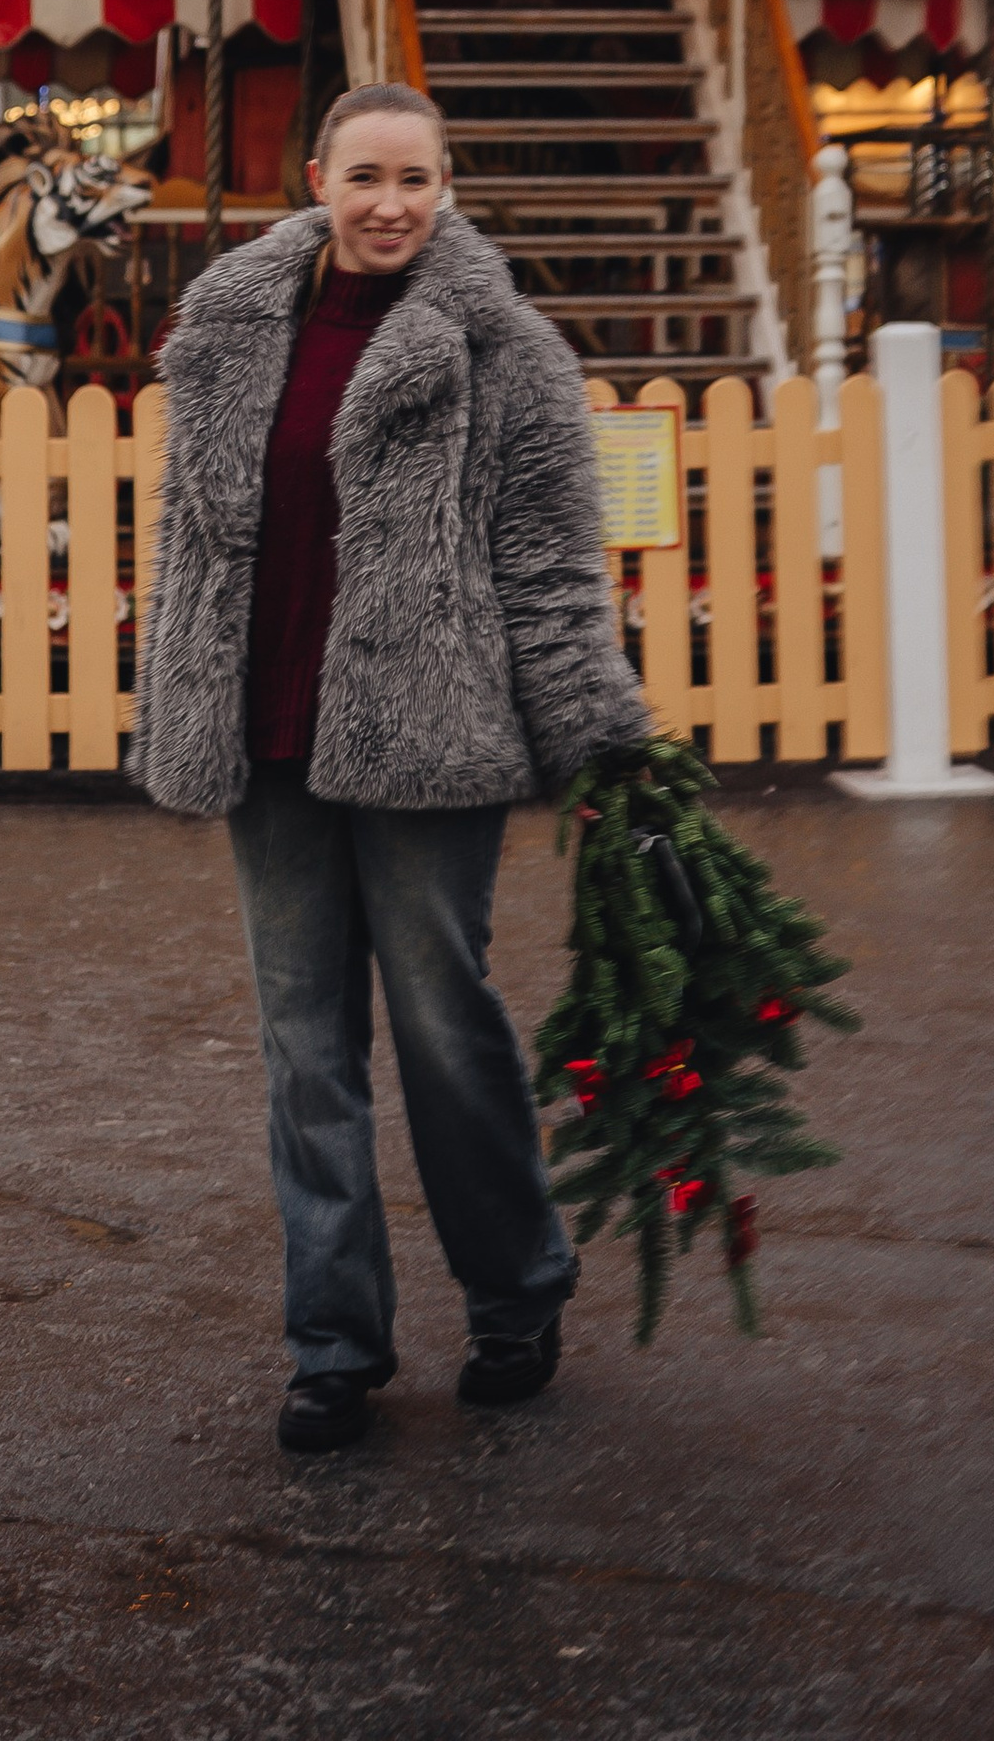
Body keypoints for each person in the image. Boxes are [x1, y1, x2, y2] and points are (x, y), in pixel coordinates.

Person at [135, 83, 647, 1453]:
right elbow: (194, 540)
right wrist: (183, 694)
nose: (389, 205)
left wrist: (597, 735)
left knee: (443, 1028)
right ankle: (335, 1344)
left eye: (414, 180)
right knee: (305, 1048)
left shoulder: (504, 348)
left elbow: (548, 567)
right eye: (365, 177)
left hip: (433, 734)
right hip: (268, 731)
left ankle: (517, 1294)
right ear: (318, 180)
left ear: (446, 188)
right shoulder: (230, 329)